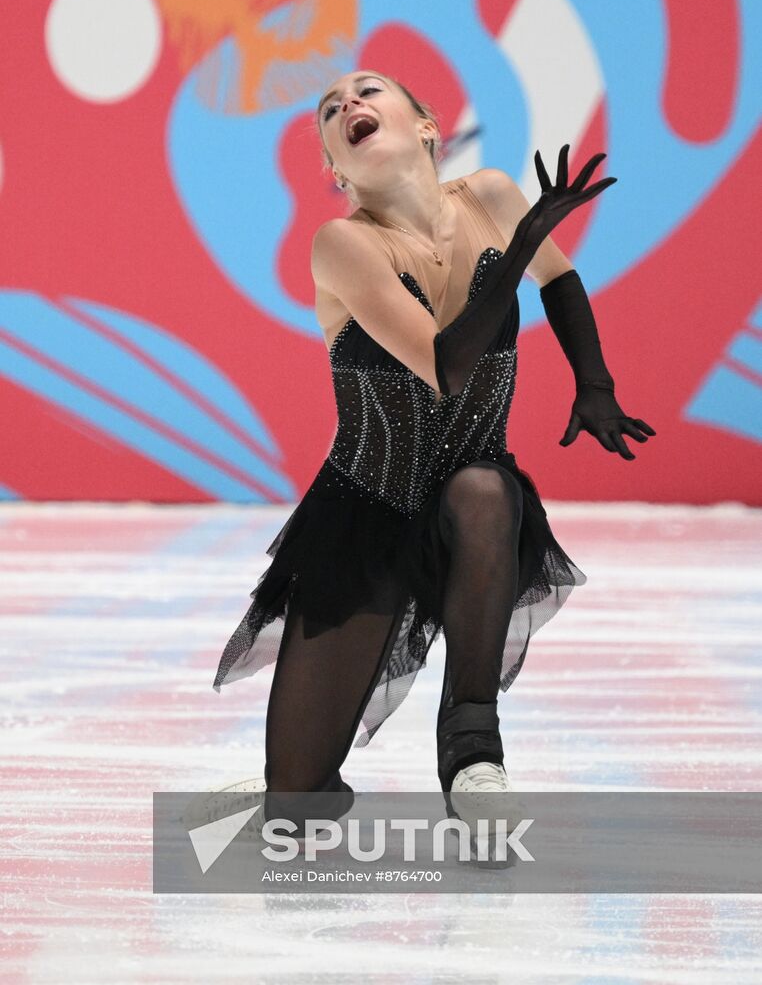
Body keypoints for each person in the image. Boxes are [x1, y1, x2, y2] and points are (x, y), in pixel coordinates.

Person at [208, 70, 655, 846]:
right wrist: (514, 254)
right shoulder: (343, 244)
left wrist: (596, 383)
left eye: (368, 92)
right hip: (364, 514)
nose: (348, 105)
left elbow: (560, 276)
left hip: (470, 498)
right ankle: (286, 787)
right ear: (336, 171)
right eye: (329, 110)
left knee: (483, 491)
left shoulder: (489, 194)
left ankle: (474, 755)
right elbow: (446, 367)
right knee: (298, 802)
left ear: (425, 126)